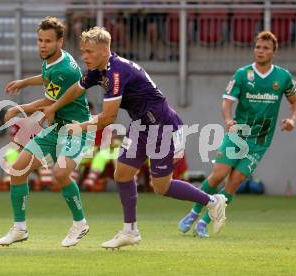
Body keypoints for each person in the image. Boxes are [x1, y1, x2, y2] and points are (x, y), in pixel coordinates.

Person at [41, 26, 227, 249]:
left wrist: (81, 126)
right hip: (140, 126)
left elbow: (109, 117)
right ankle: (130, 231)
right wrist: (54, 107)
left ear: (104, 50)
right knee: (122, 173)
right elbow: (77, 89)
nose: (84, 56)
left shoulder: (116, 72)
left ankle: (213, 201)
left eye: (89, 51)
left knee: (161, 187)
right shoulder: (97, 70)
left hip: (162, 127)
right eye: (83, 51)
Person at [178, 31, 296, 238]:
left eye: (266, 48)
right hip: (238, 133)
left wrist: (292, 119)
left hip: (260, 140)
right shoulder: (243, 74)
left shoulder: (283, 77)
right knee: (218, 175)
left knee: (234, 182)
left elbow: (295, 101)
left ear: (274, 52)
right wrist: (227, 119)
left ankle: (205, 223)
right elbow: (227, 101)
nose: (260, 51)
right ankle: (193, 212)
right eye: (258, 47)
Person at [0, 17, 94, 247]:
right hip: (57, 127)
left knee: (60, 173)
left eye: (48, 41)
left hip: (77, 129)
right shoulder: (52, 59)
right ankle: (19, 228)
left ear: (60, 41)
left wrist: (18, 109)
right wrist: (24, 82)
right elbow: (45, 77)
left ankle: (80, 224)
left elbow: (46, 103)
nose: (42, 45)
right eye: (40, 40)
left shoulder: (65, 71)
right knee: (18, 169)